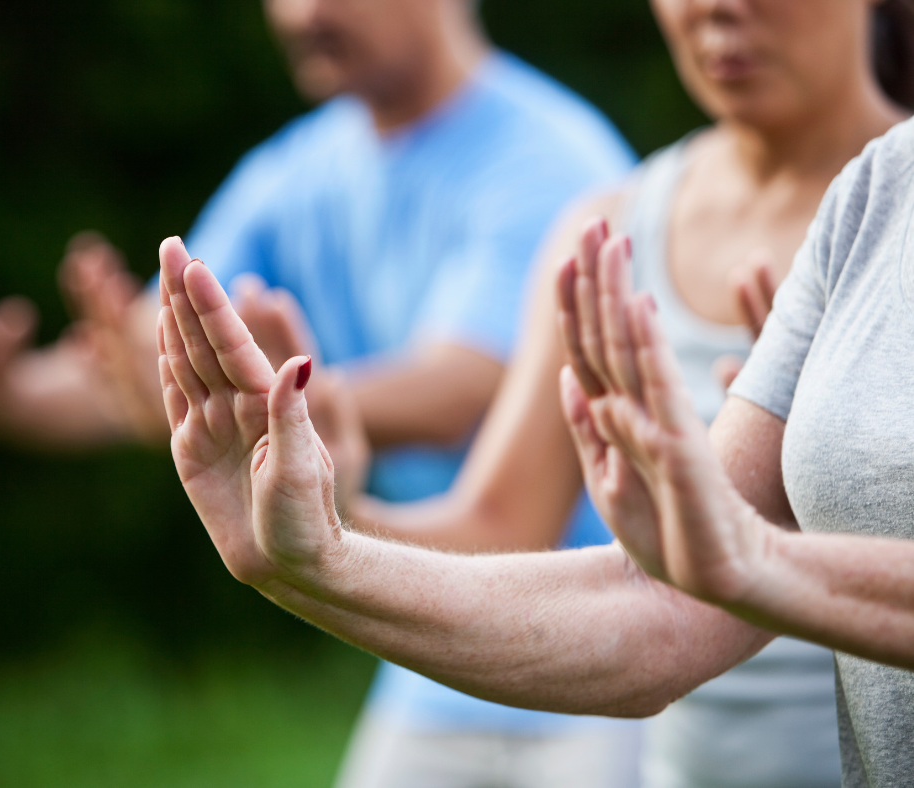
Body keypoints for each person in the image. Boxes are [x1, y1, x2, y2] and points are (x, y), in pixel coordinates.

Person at [150, 0, 914, 786]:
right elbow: (657, 604)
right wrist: (322, 541)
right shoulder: (849, 206)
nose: (715, 7)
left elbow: (711, 576)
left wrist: (755, 560)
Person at [0, 0, 640, 785]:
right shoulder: (291, 175)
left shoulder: (554, 160)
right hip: (430, 653)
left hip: (604, 641)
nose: (302, 13)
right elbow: (168, 372)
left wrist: (274, 407)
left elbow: (464, 382)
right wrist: (10, 395)